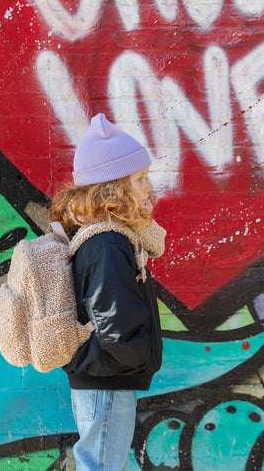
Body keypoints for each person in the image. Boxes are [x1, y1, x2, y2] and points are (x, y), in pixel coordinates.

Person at [48, 113, 166, 471]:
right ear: (114, 187)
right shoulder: (109, 243)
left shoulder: (104, 237)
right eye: (140, 179)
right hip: (108, 377)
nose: (148, 188)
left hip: (104, 374)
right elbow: (114, 321)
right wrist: (140, 358)